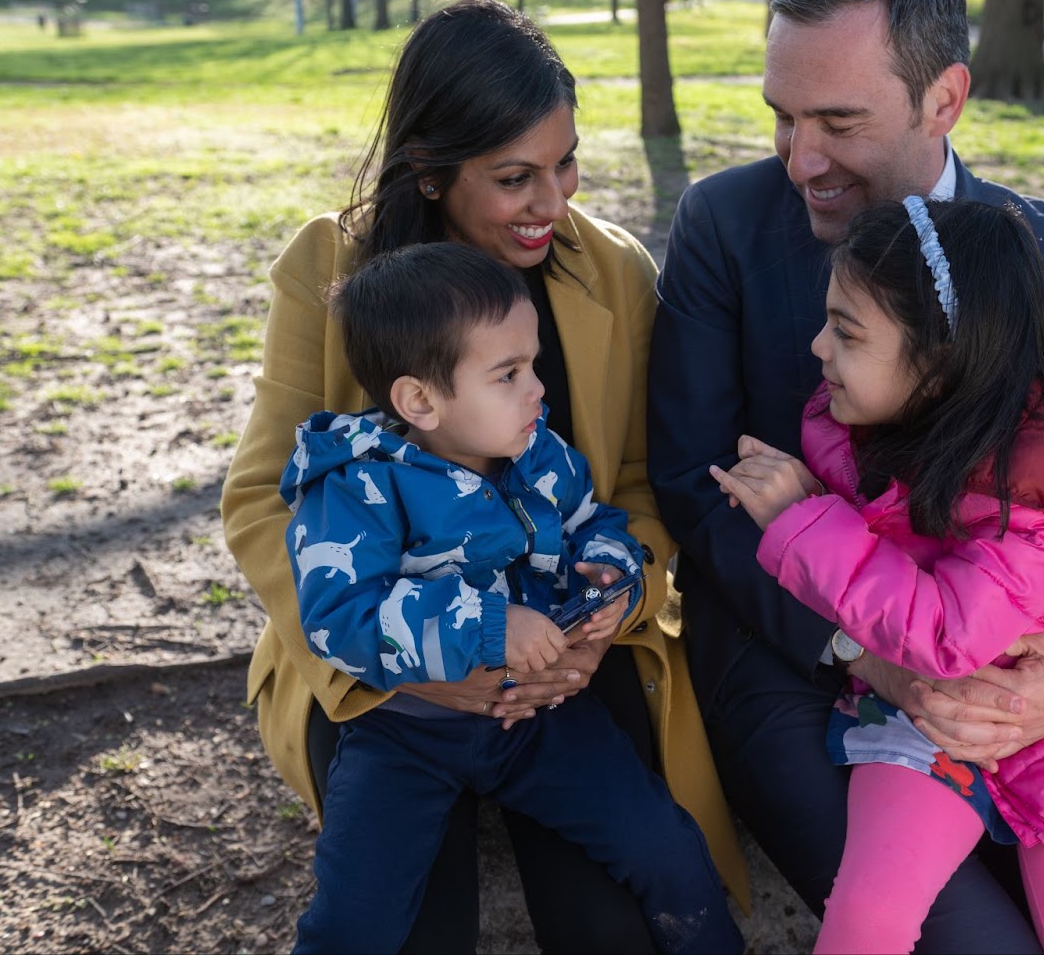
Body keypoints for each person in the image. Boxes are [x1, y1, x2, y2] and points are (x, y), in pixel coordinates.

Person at [647, 0, 1044, 952]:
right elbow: (690, 476)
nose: (797, 158)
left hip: (1039, 691)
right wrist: (880, 657)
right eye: (781, 115)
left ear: (943, 98)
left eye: (837, 122)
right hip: (799, 658)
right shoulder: (724, 223)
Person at [222, 0, 747, 954]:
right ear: (430, 171)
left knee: (616, 922)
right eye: (516, 177)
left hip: (564, 662)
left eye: (566, 162)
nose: (554, 201)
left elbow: (636, 484)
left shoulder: (617, 273)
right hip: (383, 673)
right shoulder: (328, 267)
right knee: (406, 925)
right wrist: (415, 662)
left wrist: (605, 621)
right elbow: (261, 498)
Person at [712, 199, 1044, 954]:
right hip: (926, 722)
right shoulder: (870, 418)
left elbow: (950, 634)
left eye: (847, 332)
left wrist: (803, 519)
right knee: (870, 917)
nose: (819, 346)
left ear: (941, 362)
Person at [285, 242, 743, 955]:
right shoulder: (356, 486)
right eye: (508, 373)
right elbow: (341, 619)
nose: (537, 389)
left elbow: (597, 520)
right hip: (405, 731)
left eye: (531, 364)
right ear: (419, 400)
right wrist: (491, 624)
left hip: (539, 716)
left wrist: (609, 577)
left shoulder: (540, 455)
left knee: (662, 843)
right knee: (356, 920)